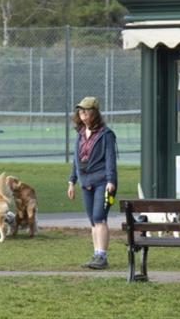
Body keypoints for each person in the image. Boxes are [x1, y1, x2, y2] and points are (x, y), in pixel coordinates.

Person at [67, 96, 117, 270]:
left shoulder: (106, 134)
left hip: (102, 182)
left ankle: (102, 256)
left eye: (86, 111)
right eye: (80, 111)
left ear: (94, 113)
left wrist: (111, 180)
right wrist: (71, 181)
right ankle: (96, 254)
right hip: (85, 182)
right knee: (92, 221)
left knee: (99, 218)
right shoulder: (80, 134)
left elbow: (111, 158)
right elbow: (76, 159)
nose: (82, 114)